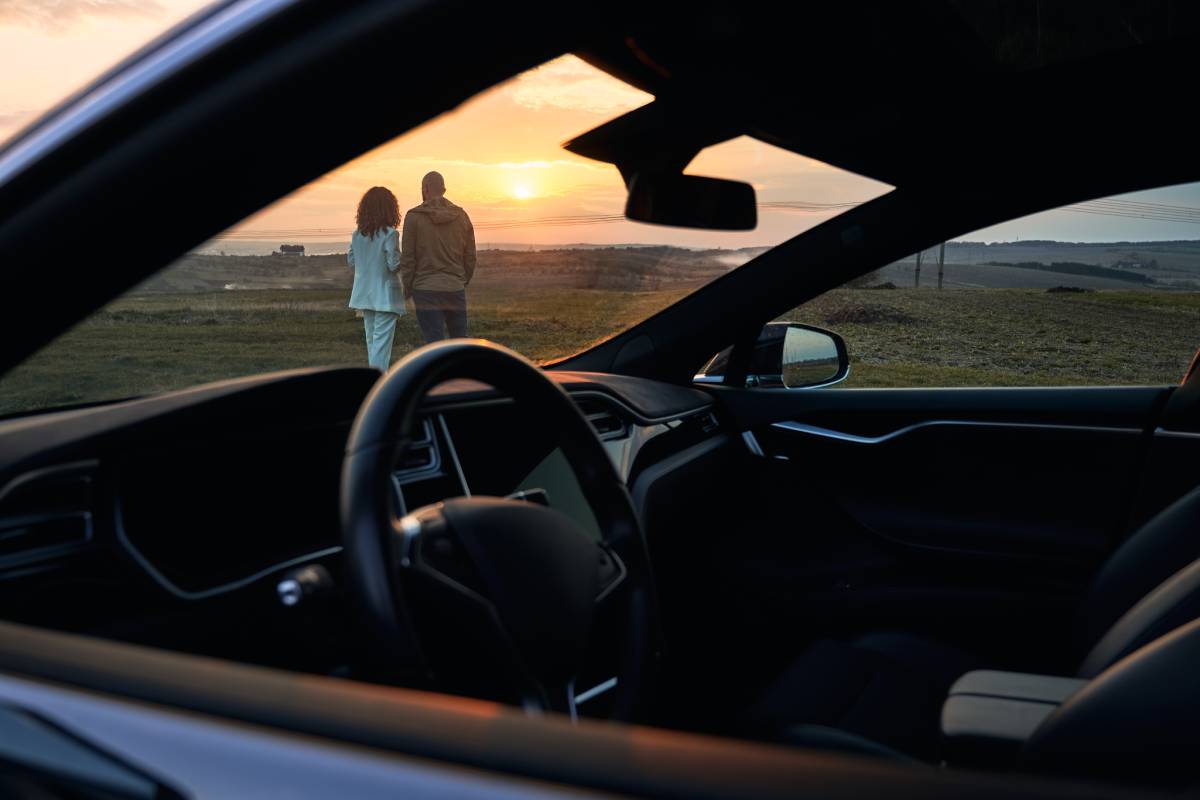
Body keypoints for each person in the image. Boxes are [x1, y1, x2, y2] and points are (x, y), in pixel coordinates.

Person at [399, 171, 476, 343]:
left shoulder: (413, 217)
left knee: (434, 343)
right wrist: (461, 280)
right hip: (455, 288)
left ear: (425, 189)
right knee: (460, 342)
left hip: (425, 289)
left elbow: (408, 259)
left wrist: (408, 287)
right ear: (444, 189)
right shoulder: (462, 216)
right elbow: (470, 256)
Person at [348, 186, 405, 370]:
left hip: (364, 296)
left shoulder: (357, 235)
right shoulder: (391, 234)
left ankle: (374, 382)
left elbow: (351, 260)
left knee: (372, 341)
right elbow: (393, 265)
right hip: (386, 297)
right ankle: (379, 383)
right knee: (381, 345)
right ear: (390, 208)